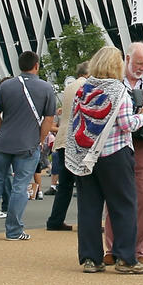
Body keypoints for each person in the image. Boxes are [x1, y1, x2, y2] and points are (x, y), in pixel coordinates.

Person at [66, 46, 143, 273]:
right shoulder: (118, 90)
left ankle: (91, 258)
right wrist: (141, 116)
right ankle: (126, 258)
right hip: (114, 153)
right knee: (123, 205)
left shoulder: (83, 90)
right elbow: (125, 124)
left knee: (89, 208)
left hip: (86, 155)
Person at [0, 50, 55, 241]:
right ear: (36, 65)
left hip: (4, 142)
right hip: (28, 144)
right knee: (20, 185)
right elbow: (48, 119)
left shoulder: (7, 86)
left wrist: (2, 130)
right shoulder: (46, 88)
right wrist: (39, 139)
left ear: (20, 65)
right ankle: (13, 230)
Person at [104, 43, 143, 267]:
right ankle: (112, 247)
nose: (142, 67)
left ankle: (141, 249)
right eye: (138, 63)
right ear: (127, 58)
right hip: (116, 145)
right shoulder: (113, 81)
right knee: (115, 197)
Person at [46, 62, 89, 232]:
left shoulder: (69, 88)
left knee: (65, 183)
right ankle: (87, 221)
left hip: (63, 137)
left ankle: (55, 220)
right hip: (77, 139)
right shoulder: (88, 86)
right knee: (85, 183)